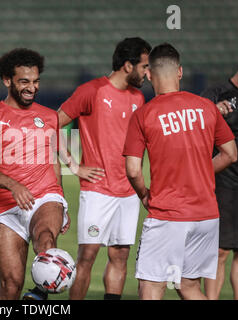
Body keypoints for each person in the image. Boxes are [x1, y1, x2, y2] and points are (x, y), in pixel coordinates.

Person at [123, 43, 237, 300]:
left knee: (151, 286)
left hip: (168, 215)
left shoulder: (144, 115)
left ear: (149, 75)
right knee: (188, 286)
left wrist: (143, 194)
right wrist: (199, 172)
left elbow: (132, 170)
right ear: (180, 72)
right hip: (206, 215)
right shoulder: (207, 107)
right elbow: (231, 154)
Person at [57, 37, 151, 300]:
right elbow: (53, 124)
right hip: (97, 190)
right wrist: (74, 166)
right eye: (144, 66)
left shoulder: (139, 98)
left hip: (128, 192)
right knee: (87, 256)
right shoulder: (92, 91)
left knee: (120, 257)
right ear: (128, 65)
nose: (148, 73)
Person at [0, 48, 70, 300]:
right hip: (6, 209)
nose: (32, 87)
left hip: (45, 197)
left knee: (46, 241)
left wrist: (62, 204)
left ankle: (40, 294)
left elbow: (54, 161)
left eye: (36, 81)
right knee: (10, 285)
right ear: (7, 80)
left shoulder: (49, 116)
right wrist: (12, 185)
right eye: (24, 81)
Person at [201, 51, 238, 300]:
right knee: (219, 252)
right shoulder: (216, 94)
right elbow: (194, 126)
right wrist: (213, 112)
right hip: (224, 183)